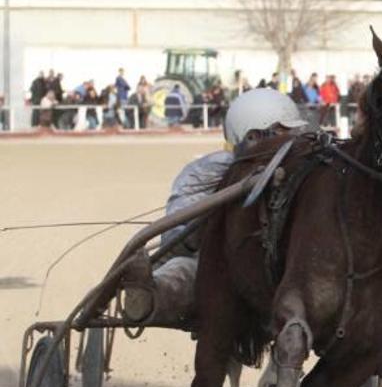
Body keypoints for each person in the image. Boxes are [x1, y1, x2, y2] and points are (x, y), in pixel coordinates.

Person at [119, 88, 312, 324]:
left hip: (283, 270)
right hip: (216, 268)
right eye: (281, 134)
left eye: (292, 133)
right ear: (251, 136)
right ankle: (149, 296)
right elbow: (177, 240)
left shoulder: (304, 170)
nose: (292, 141)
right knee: (186, 270)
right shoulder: (207, 172)